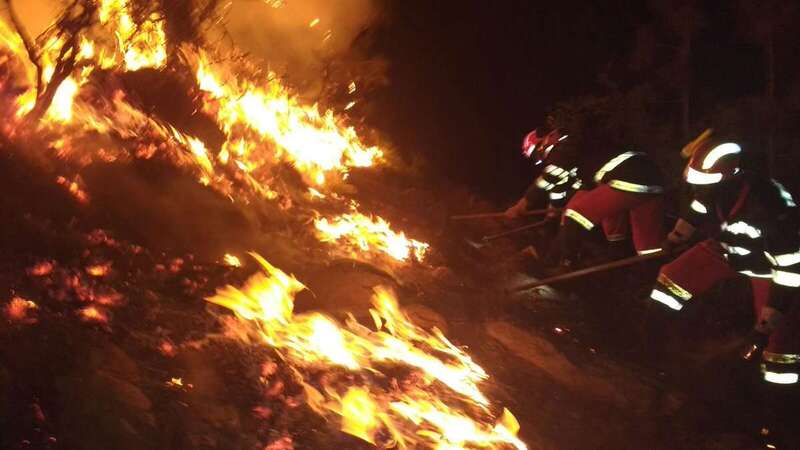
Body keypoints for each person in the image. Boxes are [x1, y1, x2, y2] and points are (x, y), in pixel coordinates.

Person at [650, 131, 800, 445]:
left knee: (778, 353)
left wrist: (763, 329)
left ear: (731, 176)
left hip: (774, 271)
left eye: (706, 184)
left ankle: (776, 421)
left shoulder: (771, 208)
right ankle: (659, 353)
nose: (699, 189)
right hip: (728, 252)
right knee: (670, 279)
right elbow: (697, 210)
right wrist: (673, 240)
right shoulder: (713, 188)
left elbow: (790, 272)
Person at [506, 124, 665, 268]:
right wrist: (553, 211)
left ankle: (566, 266)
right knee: (649, 249)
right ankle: (635, 274)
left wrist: (521, 205)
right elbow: (563, 186)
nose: (541, 157)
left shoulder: (565, 146)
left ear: (550, 137)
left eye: (538, 151)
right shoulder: (577, 152)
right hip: (651, 181)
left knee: (575, 215)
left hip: (630, 179)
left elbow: (549, 178)